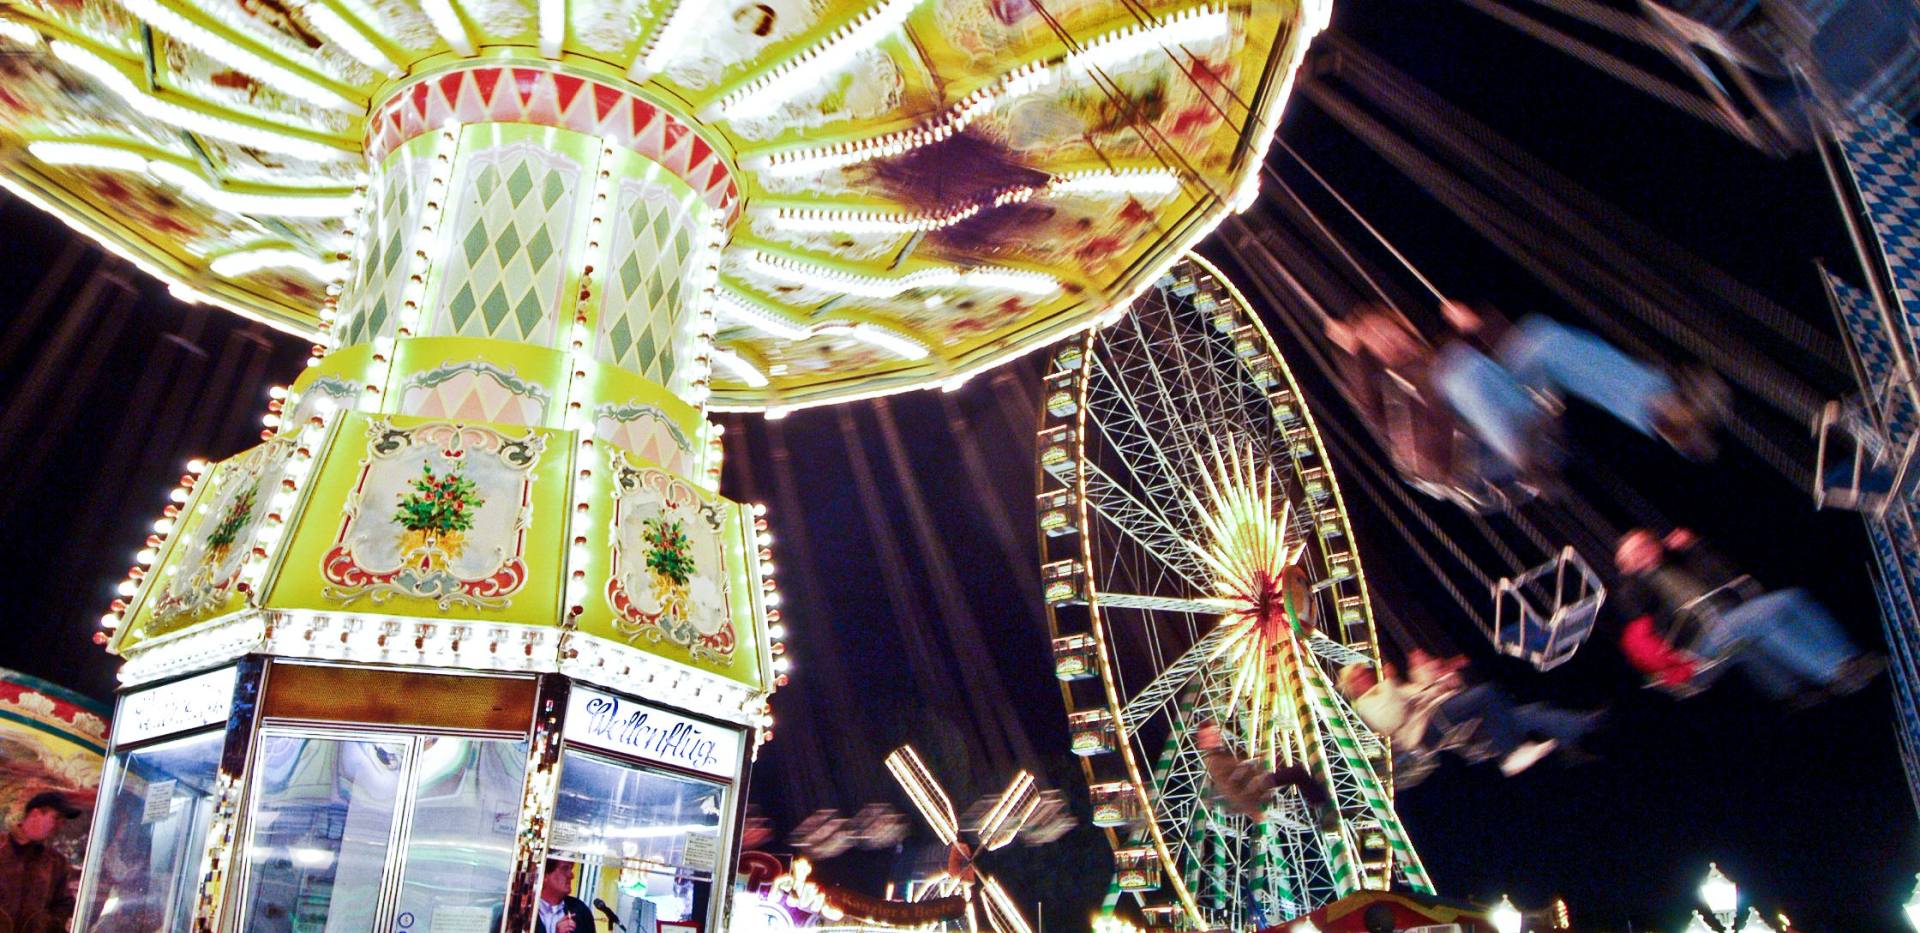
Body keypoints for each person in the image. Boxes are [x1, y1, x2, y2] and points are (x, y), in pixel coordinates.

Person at [1327, 302, 1724, 509]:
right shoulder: (1391, 392)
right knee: (1459, 368)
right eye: (1376, 339)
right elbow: (1366, 404)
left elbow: (1508, 347)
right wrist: (1354, 353)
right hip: (1471, 457)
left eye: (1388, 328)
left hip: (1510, 412)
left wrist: (1477, 326)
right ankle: (1525, 448)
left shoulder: (1447, 349)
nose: (1388, 339)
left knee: (1539, 337)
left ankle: (1665, 410)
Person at [1613, 527, 1884, 703]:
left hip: (1730, 618)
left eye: (1648, 542)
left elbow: (1728, 576)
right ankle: (1838, 669)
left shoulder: (1683, 561)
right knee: (1778, 606)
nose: (1647, 549)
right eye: (1637, 550)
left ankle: (1791, 690)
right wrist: (1636, 571)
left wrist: (1696, 547)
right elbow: (1637, 626)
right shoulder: (1634, 588)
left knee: (1774, 614)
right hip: (1695, 643)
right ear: (1626, 564)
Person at [1337, 651, 1601, 777]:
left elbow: (1423, 691)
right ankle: (1509, 755)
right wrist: (1390, 682)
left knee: (1529, 713)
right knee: (1486, 694)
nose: (1367, 675)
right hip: (1427, 728)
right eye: (1360, 676)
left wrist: (1442, 673)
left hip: (1442, 712)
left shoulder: (1387, 688)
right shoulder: (1368, 703)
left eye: (1365, 671)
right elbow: (1394, 719)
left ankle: (1582, 728)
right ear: (1353, 686)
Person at [1194, 721, 1337, 832]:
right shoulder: (1215, 761)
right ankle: (1323, 809)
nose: (1215, 736)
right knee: (1298, 772)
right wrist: (1253, 810)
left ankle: (1320, 808)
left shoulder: (1220, 754)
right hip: (1254, 789)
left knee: (1297, 771)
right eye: (1209, 736)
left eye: (1214, 733)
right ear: (1202, 742)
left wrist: (1252, 763)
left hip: (1255, 784)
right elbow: (1230, 788)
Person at [0, 791, 82, 933]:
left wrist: (47, 924)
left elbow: (64, 904)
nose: (60, 826)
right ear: (35, 814)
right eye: (56, 818)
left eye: (63, 821)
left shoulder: (56, 863)